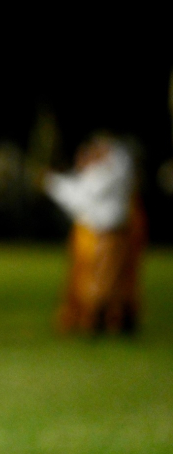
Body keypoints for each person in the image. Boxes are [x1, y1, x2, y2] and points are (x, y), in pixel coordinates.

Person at [44, 134, 147, 334]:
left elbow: (82, 196)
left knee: (102, 280)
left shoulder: (113, 168)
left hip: (106, 233)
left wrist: (52, 183)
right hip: (103, 232)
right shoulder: (111, 168)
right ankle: (107, 319)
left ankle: (100, 319)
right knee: (108, 279)